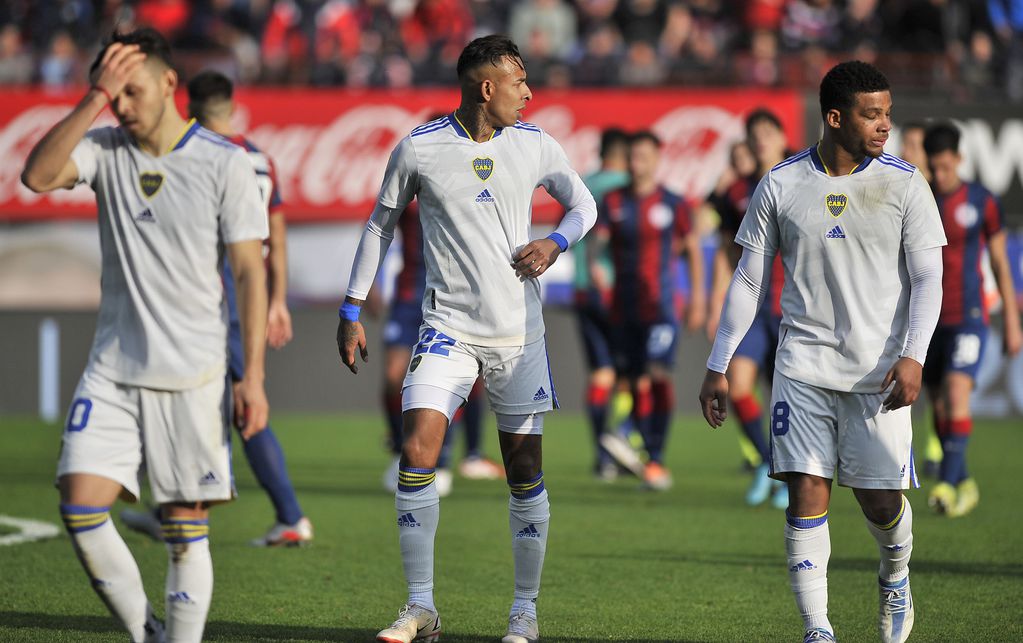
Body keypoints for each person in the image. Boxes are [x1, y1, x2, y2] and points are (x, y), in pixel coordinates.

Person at [336, 35, 596, 643]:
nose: (529, 93)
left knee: (523, 469)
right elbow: (380, 224)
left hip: (519, 337)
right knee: (418, 448)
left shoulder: (536, 144)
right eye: (520, 81)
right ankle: (421, 606)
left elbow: (583, 207)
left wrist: (555, 242)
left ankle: (524, 613)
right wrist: (351, 306)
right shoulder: (421, 149)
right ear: (487, 87)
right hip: (446, 328)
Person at [22, 28, 269, 642]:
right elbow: (38, 176)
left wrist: (254, 377)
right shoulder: (104, 146)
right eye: (114, 94)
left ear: (168, 84)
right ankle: (145, 633)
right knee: (80, 506)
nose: (122, 105)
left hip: (194, 373)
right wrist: (93, 99)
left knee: (185, 532)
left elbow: (248, 271)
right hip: (113, 365)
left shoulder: (224, 161)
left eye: (131, 91)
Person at [699, 61, 946, 643]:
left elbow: (929, 277)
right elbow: (749, 283)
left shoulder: (905, 183)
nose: (885, 124)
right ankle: (818, 629)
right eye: (872, 114)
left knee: (880, 504)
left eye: (887, 112)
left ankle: (895, 576)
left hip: (878, 373)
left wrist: (914, 356)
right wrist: (717, 366)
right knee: (806, 490)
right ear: (835, 118)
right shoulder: (781, 184)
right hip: (802, 366)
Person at [119, 69, 313, 547]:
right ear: (232, 106)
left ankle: (277, 514)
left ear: (189, 109)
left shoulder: (198, 156)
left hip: (216, 291)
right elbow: (278, 239)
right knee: (226, 404)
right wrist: (278, 301)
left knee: (229, 402)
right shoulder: (262, 159)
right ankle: (179, 511)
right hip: (254, 288)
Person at [590, 130, 706, 491]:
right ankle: (643, 452)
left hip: (661, 307)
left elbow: (692, 249)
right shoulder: (613, 202)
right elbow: (597, 246)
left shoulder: (672, 203)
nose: (637, 162)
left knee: (658, 374)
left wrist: (698, 298)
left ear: (656, 159)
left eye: (644, 155)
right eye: (633, 156)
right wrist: (597, 269)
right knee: (634, 381)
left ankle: (655, 457)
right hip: (624, 309)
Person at [922, 121, 1022, 517]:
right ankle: (963, 481)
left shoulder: (982, 200)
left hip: (970, 316)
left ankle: (945, 484)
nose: (940, 174)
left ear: (959, 160)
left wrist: (1012, 320)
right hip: (928, 320)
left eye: (946, 166)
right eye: (934, 167)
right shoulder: (922, 199)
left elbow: (999, 260)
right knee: (941, 409)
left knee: (957, 394)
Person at [380, 198, 500, 496]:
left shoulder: (462, 181)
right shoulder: (407, 180)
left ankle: (446, 459)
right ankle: (401, 450)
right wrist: (366, 286)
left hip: (452, 297)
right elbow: (377, 228)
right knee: (394, 376)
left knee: (458, 377)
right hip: (410, 295)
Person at [708, 109, 790, 509]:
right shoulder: (737, 190)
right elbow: (727, 252)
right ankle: (764, 459)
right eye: (753, 134)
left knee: (784, 398)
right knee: (738, 387)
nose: (760, 140)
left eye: (766, 132)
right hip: (752, 308)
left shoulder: (803, 178)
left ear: (781, 135)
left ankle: (789, 472)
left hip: (793, 306)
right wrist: (714, 301)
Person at [572, 126, 644, 481]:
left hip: (583, 292)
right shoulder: (626, 189)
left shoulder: (581, 183)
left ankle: (603, 458)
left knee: (601, 374)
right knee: (636, 373)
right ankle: (622, 436)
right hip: (617, 292)